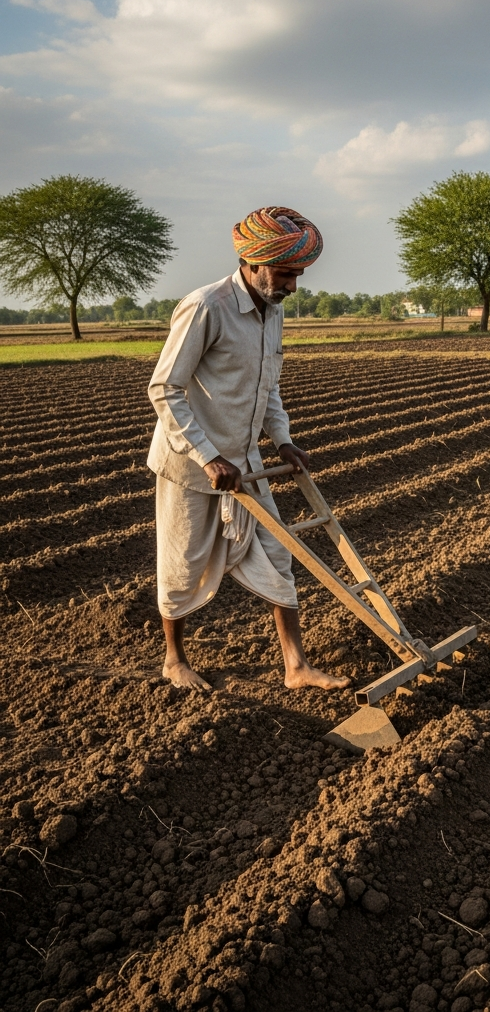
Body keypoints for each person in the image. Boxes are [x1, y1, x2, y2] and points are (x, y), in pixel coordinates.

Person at [147, 206, 347, 691]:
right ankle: (174, 660)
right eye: (284, 274)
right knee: (182, 561)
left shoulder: (272, 311)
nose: (292, 286)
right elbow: (165, 389)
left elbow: (267, 386)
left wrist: (284, 440)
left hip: (245, 463)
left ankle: (296, 667)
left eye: (297, 275)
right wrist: (208, 456)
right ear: (253, 263)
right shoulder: (206, 307)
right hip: (190, 466)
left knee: (281, 554)